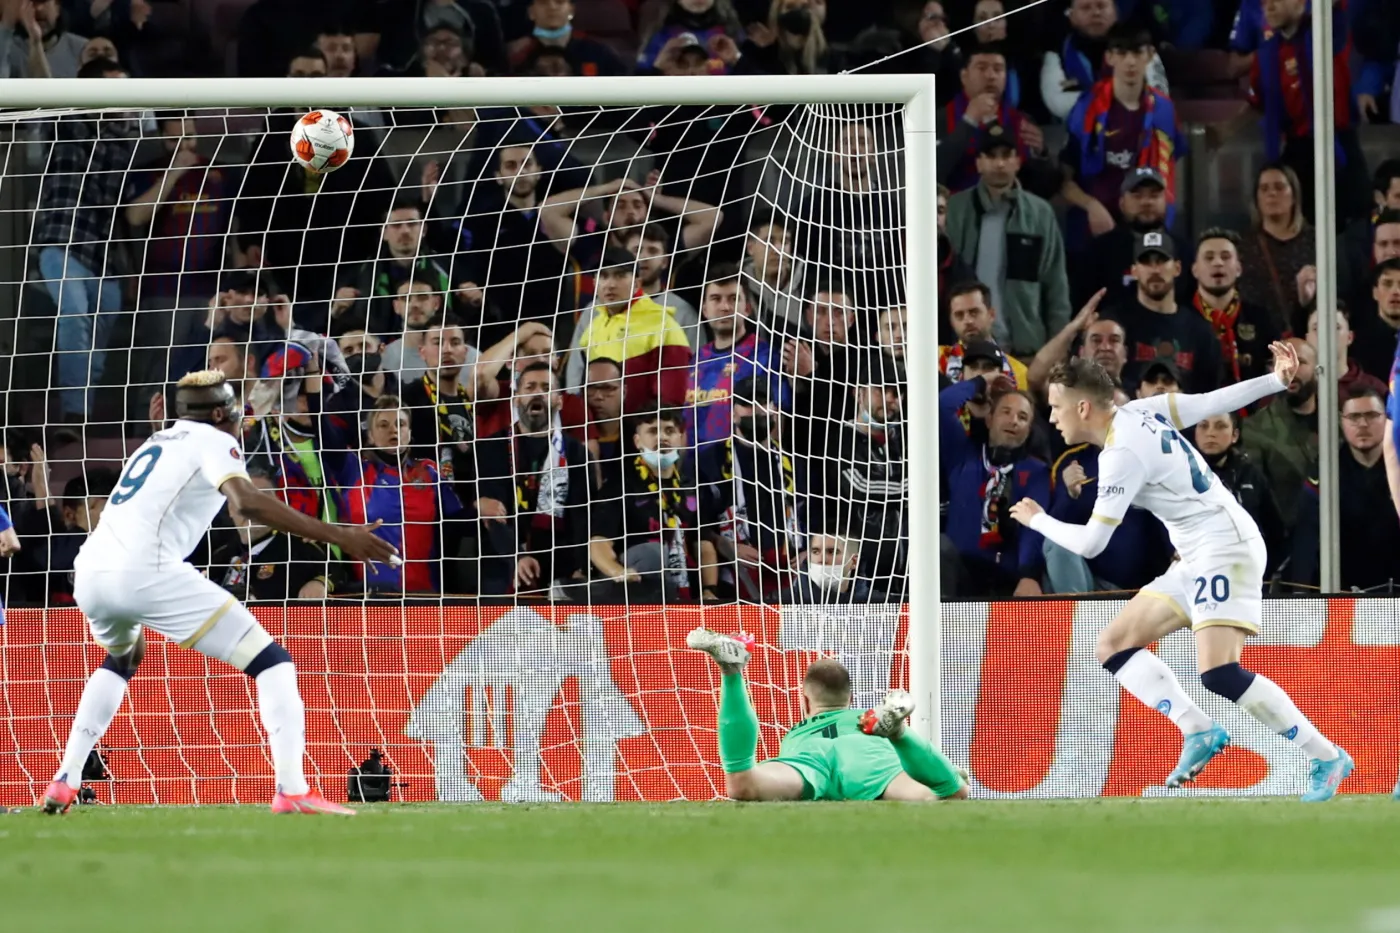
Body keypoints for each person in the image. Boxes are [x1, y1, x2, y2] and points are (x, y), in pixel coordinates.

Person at [41, 370, 397, 816]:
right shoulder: (214, 441)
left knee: (123, 658)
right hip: (147, 570)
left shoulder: (157, 443)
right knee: (273, 663)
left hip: (91, 572)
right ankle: (293, 788)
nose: (241, 419)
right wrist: (337, 534)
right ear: (218, 414)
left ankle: (65, 779)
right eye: (235, 410)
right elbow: (245, 502)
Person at [1008, 346, 1354, 802]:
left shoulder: (1121, 454)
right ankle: (1199, 730)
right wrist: (1273, 380)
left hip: (1226, 547)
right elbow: (1209, 402)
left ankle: (1327, 756)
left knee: (1220, 672)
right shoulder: (1142, 411)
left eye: (1055, 407)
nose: (1051, 419)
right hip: (1195, 553)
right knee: (1111, 644)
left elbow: (1092, 544)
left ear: (1082, 407)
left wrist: (1038, 521)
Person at [685, 633, 967, 802]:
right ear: (851, 700)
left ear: (803, 699)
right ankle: (899, 735)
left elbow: (744, 786)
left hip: (808, 758)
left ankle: (732, 672)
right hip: (867, 744)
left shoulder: (795, 733)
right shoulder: (861, 716)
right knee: (947, 792)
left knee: (743, 782)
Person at [32, 58, 138, 427]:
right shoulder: (67, 120)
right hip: (63, 242)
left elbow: (124, 213)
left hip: (105, 257)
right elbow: (42, 86)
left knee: (99, 341)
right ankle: (74, 414)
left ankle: (80, 414)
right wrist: (32, 40)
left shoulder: (125, 140)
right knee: (74, 314)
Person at [944, 124, 1070, 359]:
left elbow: (1056, 287)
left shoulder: (1040, 213)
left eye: (1006, 155)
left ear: (1017, 161)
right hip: (965, 349)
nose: (999, 164)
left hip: (1026, 351)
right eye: (991, 156)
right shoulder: (955, 209)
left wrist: (1058, 349)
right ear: (979, 163)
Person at [473, 362, 594, 598]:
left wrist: (581, 567)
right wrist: (516, 557)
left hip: (561, 571)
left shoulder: (577, 453)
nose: (538, 392)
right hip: (503, 566)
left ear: (559, 400)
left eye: (546, 387)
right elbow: (492, 514)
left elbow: (583, 518)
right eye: (530, 387)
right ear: (517, 398)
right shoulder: (489, 448)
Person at [1061, 24, 1186, 246]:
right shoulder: (1087, 109)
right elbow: (1063, 177)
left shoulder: (1165, 110)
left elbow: (1171, 168)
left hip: (1148, 230)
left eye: (1137, 52)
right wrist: (1090, 205)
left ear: (1149, 56)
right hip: (1096, 228)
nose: (1130, 61)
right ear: (1109, 57)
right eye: (1121, 53)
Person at [590, 410, 717, 602]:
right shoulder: (620, 485)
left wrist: (709, 589)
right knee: (653, 553)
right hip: (635, 587)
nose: (662, 437)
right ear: (637, 441)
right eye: (653, 431)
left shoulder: (691, 485)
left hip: (683, 586)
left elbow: (703, 544)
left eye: (669, 430)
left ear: (681, 439)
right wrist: (618, 572)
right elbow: (598, 542)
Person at [940, 376, 1048, 598]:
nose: (1014, 420)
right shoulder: (962, 456)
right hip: (959, 573)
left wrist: (1029, 575)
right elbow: (941, 406)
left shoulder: (1037, 472)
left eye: (1023, 417)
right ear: (989, 419)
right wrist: (980, 383)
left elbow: (1034, 528)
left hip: (1007, 579)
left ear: (1028, 429)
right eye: (1006, 412)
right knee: (939, 546)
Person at [698, 376, 802, 602]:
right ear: (733, 412)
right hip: (734, 573)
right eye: (747, 404)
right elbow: (699, 527)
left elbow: (814, 512)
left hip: (790, 572)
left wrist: (807, 551)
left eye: (763, 403)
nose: (756, 410)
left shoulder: (794, 462)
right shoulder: (709, 461)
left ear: (775, 410)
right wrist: (726, 546)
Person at [1292, 388, 1400, 592]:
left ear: (1387, 419)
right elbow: (1306, 537)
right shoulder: (1325, 470)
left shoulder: (1398, 465)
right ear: (1342, 422)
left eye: (1371, 415)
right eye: (1354, 417)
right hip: (1342, 594)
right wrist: (1301, 593)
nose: (1363, 424)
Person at [1106, 230, 1221, 394]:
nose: (1155, 270)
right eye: (1146, 262)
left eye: (1161, 261)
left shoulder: (1200, 331)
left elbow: (1211, 395)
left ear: (1177, 268)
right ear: (1134, 271)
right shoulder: (1114, 324)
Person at [687, 266, 786, 447]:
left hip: (738, 469)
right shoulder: (696, 359)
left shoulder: (765, 357)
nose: (725, 307)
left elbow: (777, 421)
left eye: (733, 299)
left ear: (747, 308)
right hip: (694, 470)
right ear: (705, 310)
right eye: (716, 299)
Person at [208, 464, 336, 602]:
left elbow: (337, 573)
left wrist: (321, 583)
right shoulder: (219, 556)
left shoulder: (301, 548)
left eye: (264, 499)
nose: (254, 508)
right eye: (245, 499)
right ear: (230, 508)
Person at [937, 42, 1044, 194]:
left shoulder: (1020, 121)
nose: (991, 76)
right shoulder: (939, 119)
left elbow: (1045, 186)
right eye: (981, 68)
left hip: (1011, 210)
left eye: (998, 69)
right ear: (964, 76)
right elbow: (931, 172)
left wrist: (1040, 155)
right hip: (955, 211)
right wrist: (969, 121)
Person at [1241, 337, 1318, 532]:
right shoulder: (1254, 429)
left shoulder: (1341, 424)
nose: (1291, 371)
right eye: (1283, 364)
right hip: (1286, 542)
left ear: (1318, 369)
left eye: (1299, 363)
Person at [1193, 412, 1285, 576]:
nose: (1211, 433)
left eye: (1220, 426)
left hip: (1244, 576)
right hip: (1193, 574)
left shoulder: (1251, 474)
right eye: (1203, 426)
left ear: (1234, 435)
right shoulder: (1179, 475)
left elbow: (1275, 530)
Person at [1191, 229, 1280, 385]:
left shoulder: (1261, 319)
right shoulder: (1180, 317)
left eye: (1226, 257)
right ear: (1195, 270)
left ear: (1239, 268)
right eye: (1209, 257)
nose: (1217, 263)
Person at [1236, 163, 1316, 335]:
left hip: (1308, 337)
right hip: (1257, 338)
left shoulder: (1316, 242)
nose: (1271, 194)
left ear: (1294, 196)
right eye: (1264, 189)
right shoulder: (1243, 245)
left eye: (1279, 187)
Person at [939, 281, 1029, 388]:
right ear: (951, 322)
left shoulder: (1019, 372)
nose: (968, 321)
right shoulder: (936, 360)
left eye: (974, 312)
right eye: (959, 315)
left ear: (991, 315)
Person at [1304, 304, 1387, 401]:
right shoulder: (1300, 388)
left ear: (1350, 337)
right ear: (1307, 339)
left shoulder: (1376, 389)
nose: (1325, 334)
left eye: (1336, 327)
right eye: (1316, 329)